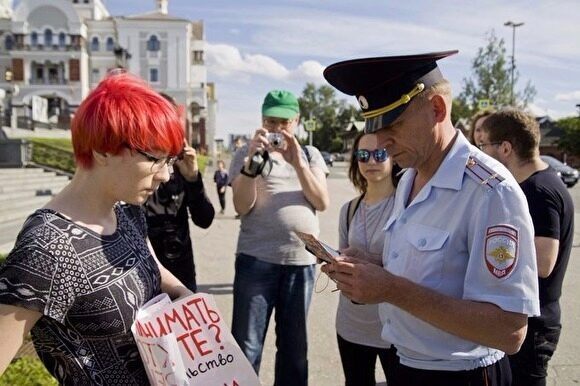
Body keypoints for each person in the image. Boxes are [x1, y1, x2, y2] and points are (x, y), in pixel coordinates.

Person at [322, 50, 540, 386]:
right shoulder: (410, 175)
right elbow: (432, 268)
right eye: (375, 127)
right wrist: (373, 265)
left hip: (462, 375)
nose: (381, 141)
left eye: (392, 124)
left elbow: (509, 331)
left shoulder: (490, 192)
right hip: (407, 365)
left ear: (437, 109)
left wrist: (391, 289)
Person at [0, 72, 192, 384]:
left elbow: (151, 263)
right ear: (104, 150)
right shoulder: (47, 248)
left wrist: (184, 297)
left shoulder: (127, 210)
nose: (166, 175)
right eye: (156, 159)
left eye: (171, 160)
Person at [228, 89, 329, 386]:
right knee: (246, 346)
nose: (278, 130)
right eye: (271, 122)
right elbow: (240, 206)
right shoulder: (245, 154)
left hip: (301, 262)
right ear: (261, 121)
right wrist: (250, 166)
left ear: (296, 121)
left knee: (294, 349)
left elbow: (321, 201)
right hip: (256, 261)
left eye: (284, 123)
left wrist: (297, 161)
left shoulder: (310, 155)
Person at [478, 108, 574, 386]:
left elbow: (544, 263)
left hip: (534, 324)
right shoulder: (543, 180)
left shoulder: (538, 191)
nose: (480, 151)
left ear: (505, 148)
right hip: (533, 319)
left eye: (484, 145)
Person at [336, 131, 401, 386]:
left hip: (393, 328)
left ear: (394, 157)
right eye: (363, 155)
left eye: (380, 154)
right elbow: (343, 259)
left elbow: (414, 269)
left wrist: (367, 261)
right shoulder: (349, 209)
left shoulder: (408, 205)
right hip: (351, 324)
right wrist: (335, 265)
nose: (371, 161)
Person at [144, 93, 215, 293]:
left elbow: (204, 219)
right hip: (141, 269)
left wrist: (193, 178)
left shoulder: (181, 165)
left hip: (179, 268)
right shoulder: (137, 165)